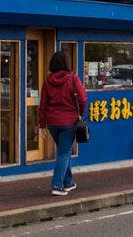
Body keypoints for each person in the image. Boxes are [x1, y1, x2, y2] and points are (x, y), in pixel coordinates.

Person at [39, 50, 87, 196]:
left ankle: (68, 183)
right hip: (69, 122)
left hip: (52, 123)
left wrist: (41, 125)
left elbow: (43, 104)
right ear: (66, 62)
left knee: (62, 152)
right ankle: (57, 185)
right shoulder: (73, 78)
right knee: (64, 153)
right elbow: (83, 99)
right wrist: (81, 114)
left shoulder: (48, 81)